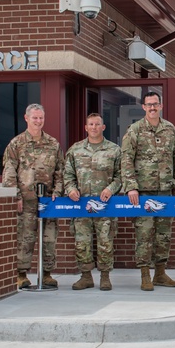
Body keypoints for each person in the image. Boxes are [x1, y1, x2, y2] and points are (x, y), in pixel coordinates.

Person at [121, 92, 175, 291]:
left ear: (161, 106)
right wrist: (131, 186)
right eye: (149, 105)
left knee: (164, 234)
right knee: (144, 234)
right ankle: (145, 274)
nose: (152, 108)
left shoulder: (170, 129)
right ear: (144, 107)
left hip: (165, 191)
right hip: (143, 192)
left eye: (155, 104)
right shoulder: (135, 130)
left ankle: (161, 273)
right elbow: (126, 159)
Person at [1, 103, 63, 289]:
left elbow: (61, 171)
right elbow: (9, 171)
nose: (38, 121)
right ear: (26, 118)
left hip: (48, 201)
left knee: (49, 238)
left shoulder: (53, 144)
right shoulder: (16, 143)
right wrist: (16, 196)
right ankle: (21, 274)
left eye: (41, 118)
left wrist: (58, 192)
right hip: (26, 200)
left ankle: (47, 274)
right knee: (25, 237)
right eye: (35, 118)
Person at [64, 113, 122, 292]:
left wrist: (110, 189)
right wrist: (71, 189)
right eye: (91, 124)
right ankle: (86, 277)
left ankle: (105, 276)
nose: (94, 127)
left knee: (105, 241)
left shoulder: (114, 150)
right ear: (86, 127)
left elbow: (122, 176)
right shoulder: (75, 150)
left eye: (98, 124)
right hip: (81, 205)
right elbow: (67, 174)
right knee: (82, 242)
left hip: (105, 206)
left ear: (103, 127)